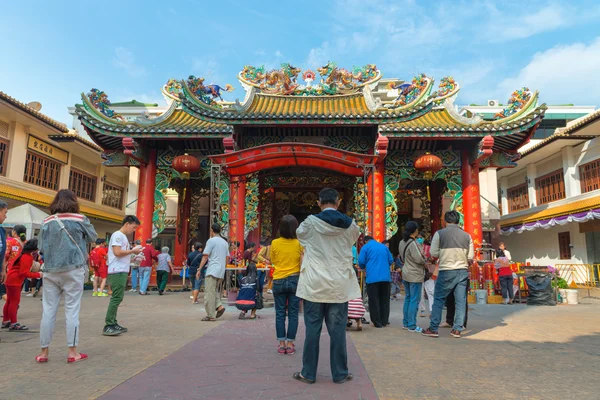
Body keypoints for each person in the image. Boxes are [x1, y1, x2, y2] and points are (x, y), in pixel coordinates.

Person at [294, 188, 360, 385]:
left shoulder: (310, 223)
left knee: (312, 331)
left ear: (318, 202)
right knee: (338, 331)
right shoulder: (351, 226)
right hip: (339, 285)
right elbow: (353, 240)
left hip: (314, 284)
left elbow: (300, 236)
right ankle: (340, 374)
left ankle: (308, 373)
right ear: (338, 202)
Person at [37, 189, 98, 363]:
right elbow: (92, 237)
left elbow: (41, 246)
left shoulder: (47, 221)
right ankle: (72, 352)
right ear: (74, 201)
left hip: (50, 271)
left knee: (48, 311)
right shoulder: (80, 219)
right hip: (73, 269)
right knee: (72, 310)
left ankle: (43, 353)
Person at [422, 211, 474, 339]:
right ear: (458, 221)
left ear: (445, 221)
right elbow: (471, 257)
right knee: (460, 301)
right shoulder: (467, 236)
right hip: (462, 270)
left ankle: (433, 328)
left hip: (446, 270)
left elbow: (433, 252)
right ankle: (457, 329)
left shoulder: (439, 234)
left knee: (439, 299)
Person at [103, 216, 142, 336]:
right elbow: (117, 253)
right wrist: (133, 251)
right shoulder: (118, 235)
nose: (134, 230)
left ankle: (113, 322)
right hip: (117, 270)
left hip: (121, 269)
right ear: (126, 224)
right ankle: (108, 324)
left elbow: (120, 254)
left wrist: (134, 257)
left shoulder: (122, 237)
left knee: (118, 297)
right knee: (116, 298)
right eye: (133, 227)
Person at [271, 215, 303, 355]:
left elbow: (273, 260)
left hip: (278, 280)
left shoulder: (274, 243)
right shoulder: (299, 243)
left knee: (279, 314)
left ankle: (281, 343)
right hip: (294, 280)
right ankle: (290, 343)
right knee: (293, 314)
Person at [2, 239, 42, 331]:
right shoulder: (27, 257)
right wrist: (39, 274)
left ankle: (6, 321)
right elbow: (24, 273)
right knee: (14, 302)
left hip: (10, 278)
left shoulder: (21, 253)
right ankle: (13, 323)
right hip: (15, 281)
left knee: (9, 301)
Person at [358, 236, 393, 328]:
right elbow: (390, 260)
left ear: (366, 241)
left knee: (374, 300)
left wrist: (365, 266)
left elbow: (361, 262)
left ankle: (377, 322)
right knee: (384, 300)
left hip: (372, 278)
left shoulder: (365, 247)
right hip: (385, 277)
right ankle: (384, 321)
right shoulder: (384, 247)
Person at [398, 222, 427, 332]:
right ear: (415, 230)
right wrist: (425, 260)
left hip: (406, 272)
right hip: (415, 273)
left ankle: (406, 323)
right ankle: (412, 325)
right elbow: (419, 259)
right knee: (414, 299)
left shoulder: (402, 242)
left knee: (408, 298)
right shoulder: (413, 243)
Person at [197, 223, 229, 321]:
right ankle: (219, 306)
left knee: (208, 293)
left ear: (212, 230)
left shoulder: (211, 241)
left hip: (212, 269)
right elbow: (227, 257)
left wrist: (199, 269)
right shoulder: (225, 242)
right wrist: (223, 268)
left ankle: (211, 315)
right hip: (221, 271)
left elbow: (205, 256)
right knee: (213, 291)